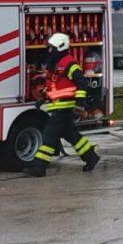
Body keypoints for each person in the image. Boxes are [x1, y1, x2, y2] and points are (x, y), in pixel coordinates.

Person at [24, 32, 99, 177]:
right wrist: (43, 98)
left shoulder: (69, 63)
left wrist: (80, 104)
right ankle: (91, 157)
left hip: (64, 107)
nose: (49, 51)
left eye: (51, 48)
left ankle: (40, 167)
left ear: (59, 46)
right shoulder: (55, 65)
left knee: (49, 136)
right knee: (71, 135)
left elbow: (82, 83)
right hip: (57, 106)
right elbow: (54, 86)